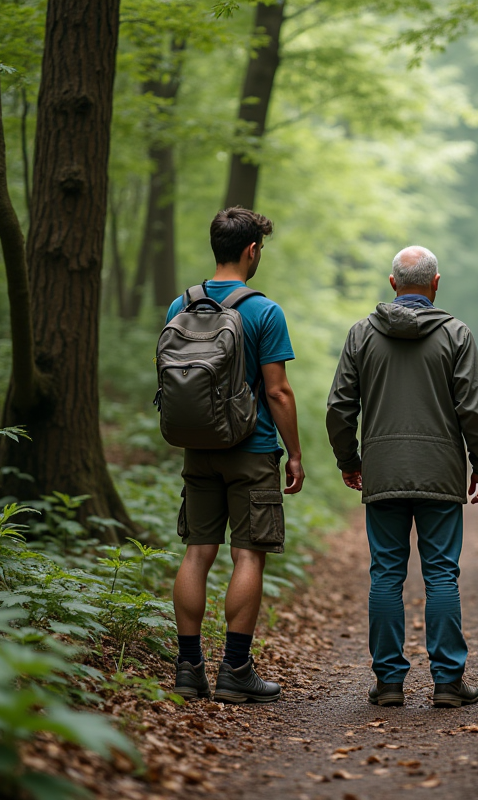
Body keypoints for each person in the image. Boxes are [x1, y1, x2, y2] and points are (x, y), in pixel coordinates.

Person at [326, 245, 478, 709]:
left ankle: (389, 683)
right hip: (440, 471)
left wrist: (349, 460)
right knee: (442, 575)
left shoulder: (362, 334)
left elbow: (340, 407)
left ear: (392, 283)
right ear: (436, 283)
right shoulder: (456, 334)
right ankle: (446, 682)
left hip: (382, 470)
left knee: (385, 574)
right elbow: (473, 410)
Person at [170, 207, 305, 704]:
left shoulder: (178, 307)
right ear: (252, 250)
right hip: (251, 450)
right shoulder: (264, 311)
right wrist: (294, 453)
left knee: (197, 551)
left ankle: (187, 668)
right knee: (247, 552)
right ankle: (236, 669)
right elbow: (278, 393)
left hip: (197, 448)